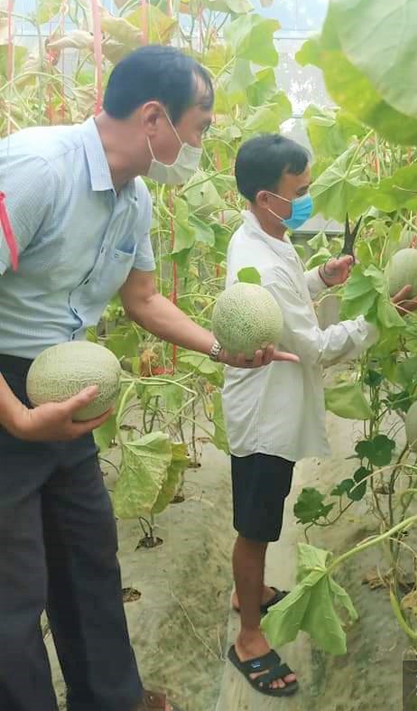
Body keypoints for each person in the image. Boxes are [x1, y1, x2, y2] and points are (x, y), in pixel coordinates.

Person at [0, 46, 297, 711]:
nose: (200, 143)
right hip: (6, 388)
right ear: (155, 118)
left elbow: (143, 299)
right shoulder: (37, 168)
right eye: (200, 126)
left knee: (88, 559)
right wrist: (16, 417)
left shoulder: (132, 201)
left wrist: (226, 347)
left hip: (66, 385)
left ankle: (112, 698)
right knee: (11, 591)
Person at [223, 134, 417, 698]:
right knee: (257, 526)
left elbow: (289, 301)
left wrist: (321, 279)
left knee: (261, 515)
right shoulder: (259, 262)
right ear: (268, 196)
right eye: (301, 190)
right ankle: (248, 636)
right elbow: (312, 346)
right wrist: (382, 318)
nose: (309, 198)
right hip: (265, 416)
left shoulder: (265, 235)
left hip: (269, 403)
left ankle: (251, 591)